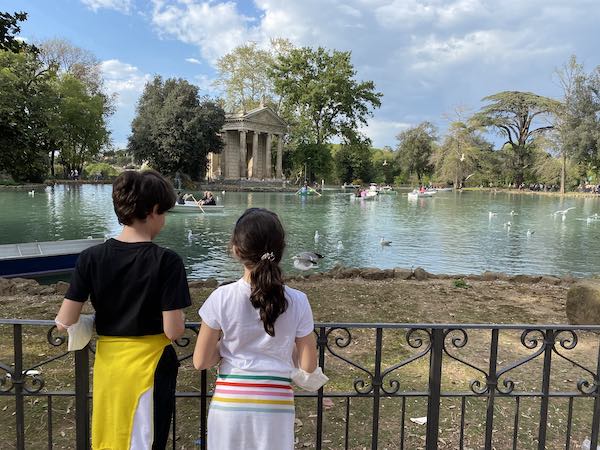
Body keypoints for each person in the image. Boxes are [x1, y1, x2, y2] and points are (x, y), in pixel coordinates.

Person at [55, 169, 191, 449]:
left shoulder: (90, 258)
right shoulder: (167, 261)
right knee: (148, 439)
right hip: (151, 366)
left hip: (110, 365)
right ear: (153, 210)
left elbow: (65, 321)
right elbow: (174, 330)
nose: (164, 221)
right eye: (164, 213)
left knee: (112, 435)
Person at [193, 208, 318, 450]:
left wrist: (225, 346)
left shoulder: (221, 297)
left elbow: (200, 361)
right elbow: (308, 366)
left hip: (229, 405)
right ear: (281, 250)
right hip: (276, 405)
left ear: (236, 250)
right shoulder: (298, 301)